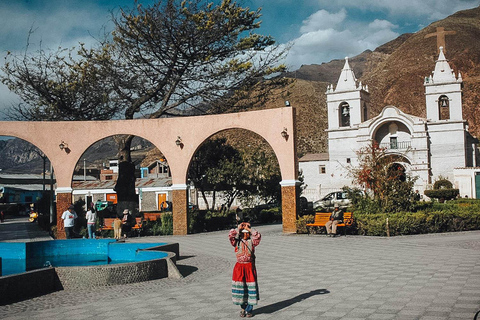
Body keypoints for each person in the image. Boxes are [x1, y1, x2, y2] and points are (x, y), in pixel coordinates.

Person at [228, 221, 261, 318]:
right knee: (241, 289)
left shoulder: (252, 242)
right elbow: (231, 235)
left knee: (251, 288)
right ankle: (243, 308)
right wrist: (239, 228)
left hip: (249, 267)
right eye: (243, 232)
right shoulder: (236, 242)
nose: (245, 234)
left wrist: (250, 228)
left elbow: (257, 236)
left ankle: (249, 309)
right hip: (239, 268)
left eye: (247, 233)